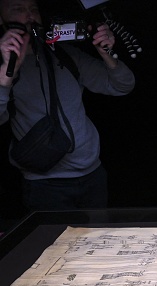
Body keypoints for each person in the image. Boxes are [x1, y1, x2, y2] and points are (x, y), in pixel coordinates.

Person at [0, 0, 135, 211]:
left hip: (92, 173)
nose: (29, 16)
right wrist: (6, 76)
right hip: (42, 182)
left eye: (34, 9)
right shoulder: (2, 66)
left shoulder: (65, 53)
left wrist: (105, 53)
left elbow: (123, 85)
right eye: (18, 9)